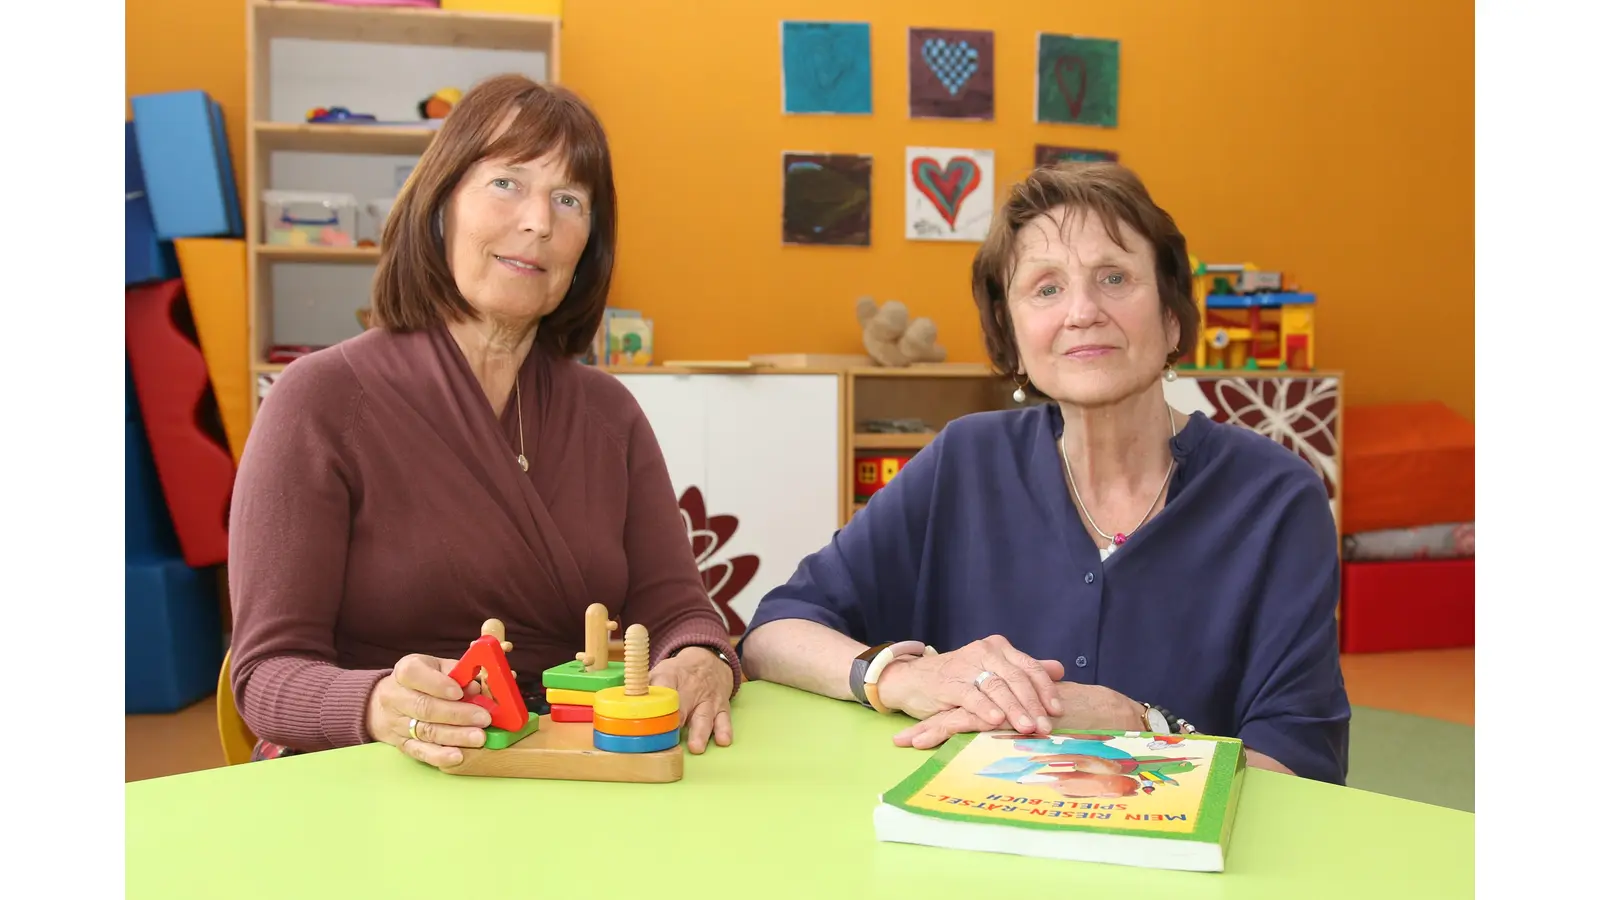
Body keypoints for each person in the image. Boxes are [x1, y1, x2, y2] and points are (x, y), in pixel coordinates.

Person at [738, 162, 1350, 786]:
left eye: (1114, 278)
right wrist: (904, 675)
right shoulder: (965, 460)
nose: (1082, 311)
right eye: (1046, 288)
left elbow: (1301, 770)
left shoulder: (1276, 498)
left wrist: (1142, 729)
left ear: (1172, 316)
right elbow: (774, 634)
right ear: (1012, 334)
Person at [227, 74, 739, 769]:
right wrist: (378, 704)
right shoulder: (319, 399)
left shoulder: (609, 414)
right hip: (373, 771)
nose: (539, 222)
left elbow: (680, 610)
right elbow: (267, 675)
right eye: (507, 183)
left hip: (565, 765)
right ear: (441, 204)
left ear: (587, 246)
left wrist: (704, 658)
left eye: (569, 200)